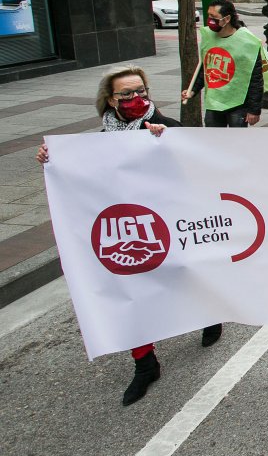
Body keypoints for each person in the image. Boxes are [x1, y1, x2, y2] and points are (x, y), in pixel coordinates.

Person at [37, 66, 223, 406]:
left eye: (141, 91)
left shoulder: (168, 128)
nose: (136, 98)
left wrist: (165, 143)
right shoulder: (99, 140)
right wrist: (54, 161)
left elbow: (196, 170)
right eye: (127, 94)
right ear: (111, 100)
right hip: (131, 227)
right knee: (130, 290)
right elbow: (83, 178)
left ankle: (208, 314)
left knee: (185, 275)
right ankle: (145, 364)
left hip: (169, 222)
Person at [182, 0, 268, 128]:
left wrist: (254, 109)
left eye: (214, 17)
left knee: (237, 139)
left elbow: (255, 79)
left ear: (227, 19)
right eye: (208, 15)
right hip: (214, 102)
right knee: (214, 138)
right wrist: (193, 90)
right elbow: (205, 68)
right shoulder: (209, 37)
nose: (210, 20)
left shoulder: (247, 42)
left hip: (238, 104)